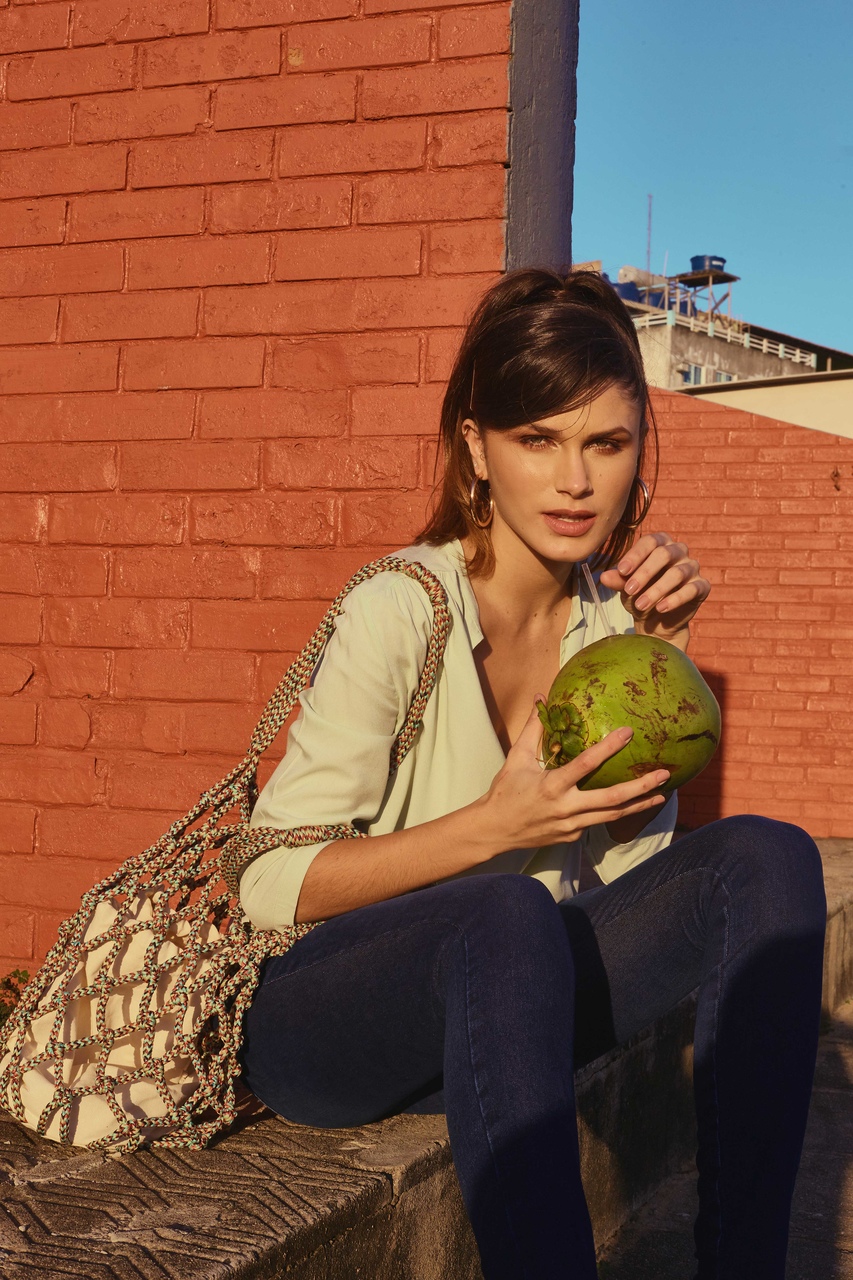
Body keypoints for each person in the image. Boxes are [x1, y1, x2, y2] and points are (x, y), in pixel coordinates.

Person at [237, 269, 826, 1280]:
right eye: (537, 440)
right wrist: (495, 826)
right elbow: (268, 882)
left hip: (507, 1001)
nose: (575, 482)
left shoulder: (611, 623)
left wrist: (664, 665)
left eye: (606, 442)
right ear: (476, 448)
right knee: (503, 909)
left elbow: (628, 858)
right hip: (334, 1016)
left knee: (768, 856)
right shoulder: (399, 606)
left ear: (640, 447)